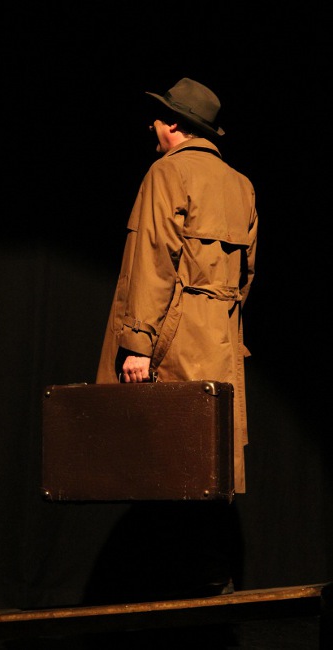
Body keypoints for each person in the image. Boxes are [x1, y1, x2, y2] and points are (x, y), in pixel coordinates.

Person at [95, 77, 258, 597]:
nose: (152, 125)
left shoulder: (167, 172)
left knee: (160, 463)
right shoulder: (241, 184)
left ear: (175, 125)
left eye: (159, 117)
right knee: (206, 465)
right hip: (220, 343)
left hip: (170, 338)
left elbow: (153, 259)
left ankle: (166, 593)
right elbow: (246, 276)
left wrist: (137, 344)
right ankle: (209, 581)